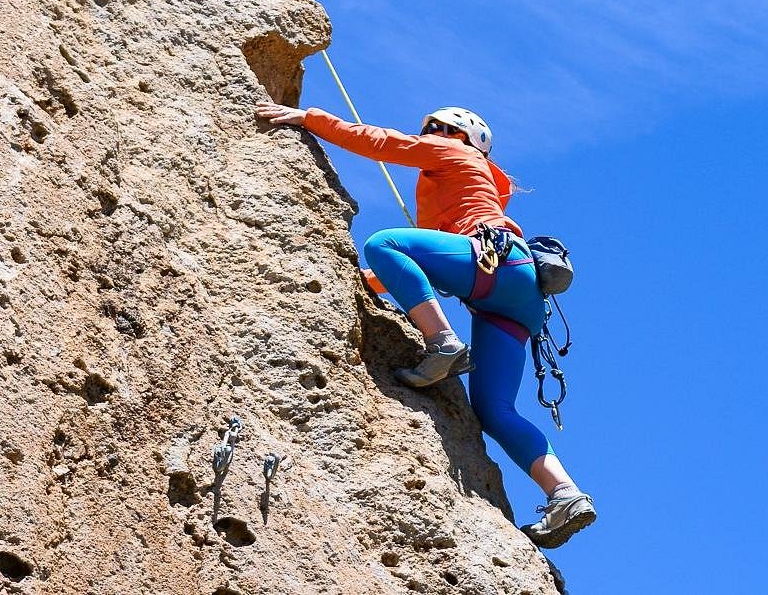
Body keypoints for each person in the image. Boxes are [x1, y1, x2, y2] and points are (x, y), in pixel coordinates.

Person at [254, 101, 596, 548]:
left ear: (458, 136)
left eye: (437, 127)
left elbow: (383, 143)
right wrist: (360, 285)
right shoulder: (474, 190)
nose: (430, 133)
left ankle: (442, 343)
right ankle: (564, 493)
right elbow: (418, 268)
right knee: (495, 412)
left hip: (492, 265)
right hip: (514, 299)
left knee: (384, 241)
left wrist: (311, 119)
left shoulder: (456, 154)